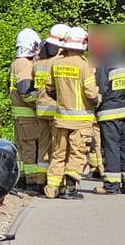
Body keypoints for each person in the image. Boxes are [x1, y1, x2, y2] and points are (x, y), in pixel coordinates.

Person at [45, 27, 99, 199]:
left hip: (60, 119)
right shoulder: (85, 65)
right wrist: (98, 100)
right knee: (77, 154)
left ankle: (52, 188)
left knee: (58, 154)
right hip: (81, 121)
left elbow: (49, 89)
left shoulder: (56, 63)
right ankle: (69, 188)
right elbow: (91, 93)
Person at [93, 31, 125, 194]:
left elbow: (101, 88)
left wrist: (95, 106)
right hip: (124, 111)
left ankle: (111, 184)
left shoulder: (104, 62)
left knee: (111, 148)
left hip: (108, 112)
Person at [33, 23, 70, 194]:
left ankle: (41, 180)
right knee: (59, 148)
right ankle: (58, 182)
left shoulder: (38, 63)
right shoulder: (59, 63)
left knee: (43, 147)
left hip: (40, 110)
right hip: (55, 110)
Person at [10, 28, 42, 191]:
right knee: (29, 148)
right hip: (28, 116)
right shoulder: (24, 65)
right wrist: (39, 101)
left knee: (22, 148)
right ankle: (32, 181)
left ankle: (22, 178)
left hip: (19, 117)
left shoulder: (16, 63)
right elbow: (25, 91)